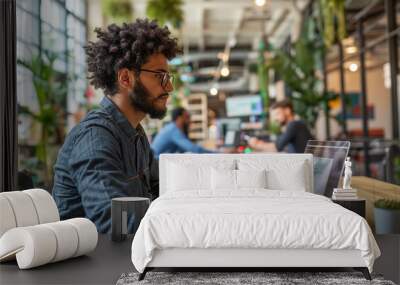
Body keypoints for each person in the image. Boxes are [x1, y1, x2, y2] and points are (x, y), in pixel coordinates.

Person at [52, 19, 181, 233]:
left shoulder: (135, 133)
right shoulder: (95, 138)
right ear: (125, 77)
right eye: (160, 76)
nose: (169, 87)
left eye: (168, 77)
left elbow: (161, 191)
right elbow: (117, 223)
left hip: (128, 256)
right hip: (97, 262)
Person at [248, 99, 312, 153]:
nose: (275, 119)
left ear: (287, 110)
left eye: (277, 114)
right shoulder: (296, 124)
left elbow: (276, 147)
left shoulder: (293, 124)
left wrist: (257, 145)